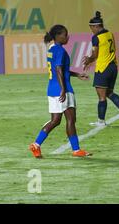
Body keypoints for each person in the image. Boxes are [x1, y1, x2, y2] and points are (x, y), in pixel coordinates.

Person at [29, 25, 92, 158]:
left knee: (55, 120)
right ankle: (76, 149)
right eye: (65, 34)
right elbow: (58, 69)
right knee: (71, 119)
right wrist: (63, 89)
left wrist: (76, 75)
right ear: (57, 36)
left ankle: (36, 144)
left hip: (52, 88)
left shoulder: (51, 49)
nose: (67, 37)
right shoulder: (60, 50)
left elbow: (61, 69)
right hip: (63, 89)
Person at [82, 11, 119, 126]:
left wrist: (89, 60)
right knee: (109, 92)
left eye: (91, 27)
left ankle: (101, 121)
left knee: (101, 96)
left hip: (102, 68)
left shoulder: (96, 37)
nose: (91, 30)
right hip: (113, 67)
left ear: (96, 26)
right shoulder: (109, 33)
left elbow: (95, 55)